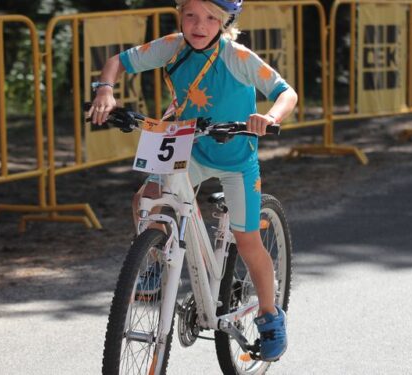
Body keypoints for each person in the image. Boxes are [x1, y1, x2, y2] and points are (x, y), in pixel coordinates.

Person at [88, 0, 297, 362]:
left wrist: (269, 116)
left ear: (224, 22)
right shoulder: (172, 46)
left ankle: (269, 316)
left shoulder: (238, 56)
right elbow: (117, 62)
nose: (199, 25)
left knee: (247, 241)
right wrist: (106, 88)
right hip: (189, 145)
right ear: (180, 15)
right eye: (191, 16)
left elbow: (286, 92)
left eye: (210, 19)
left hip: (236, 157)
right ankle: (153, 259)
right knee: (146, 198)